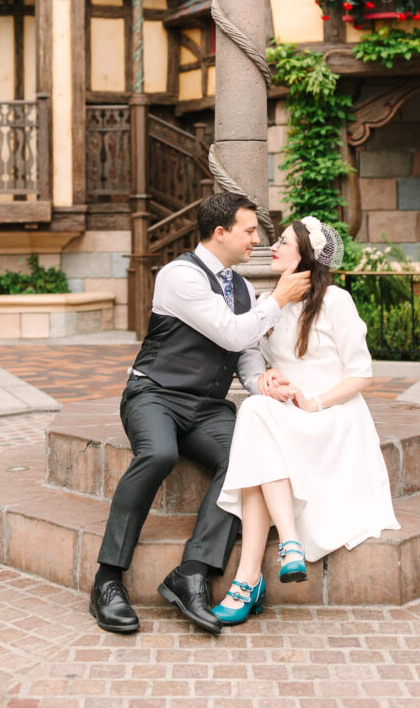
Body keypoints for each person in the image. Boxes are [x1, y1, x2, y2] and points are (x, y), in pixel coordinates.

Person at [89, 192, 311, 635]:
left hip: (208, 407)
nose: (257, 241)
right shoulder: (178, 276)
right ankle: (107, 580)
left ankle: (191, 573)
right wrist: (280, 299)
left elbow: (246, 352)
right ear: (220, 232)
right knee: (159, 454)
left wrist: (262, 383)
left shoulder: (244, 288)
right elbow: (230, 333)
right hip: (154, 394)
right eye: (250, 231)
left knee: (243, 460)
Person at [212, 216, 400, 624]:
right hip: (287, 411)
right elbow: (258, 362)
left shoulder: (336, 301)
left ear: (306, 255)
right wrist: (268, 380)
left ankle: (247, 579)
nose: (272, 246)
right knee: (256, 407)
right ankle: (289, 543)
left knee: (254, 431)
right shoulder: (271, 303)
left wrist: (314, 403)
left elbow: (362, 375)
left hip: (332, 414)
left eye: (282, 242)